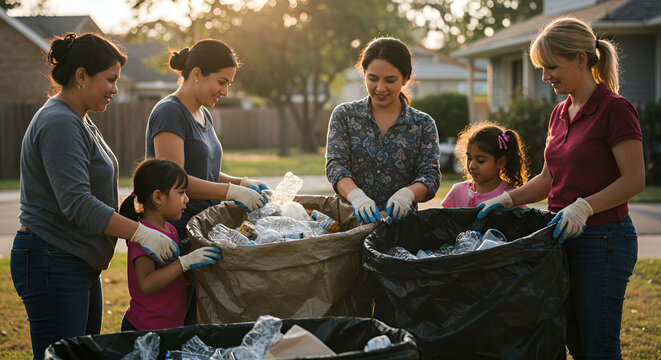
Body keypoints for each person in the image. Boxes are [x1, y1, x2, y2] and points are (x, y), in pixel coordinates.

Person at [477, 17, 644, 359]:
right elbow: (548, 179)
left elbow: (634, 179)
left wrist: (583, 206)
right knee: (574, 342)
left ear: (581, 59)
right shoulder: (559, 113)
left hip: (604, 241)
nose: (545, 77)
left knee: (598, 346)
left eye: (551, 67)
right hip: (560, 239)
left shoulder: (615, 109)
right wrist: (505, 199)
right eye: (541, 68)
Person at [10, 33, 179, 360]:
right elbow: (77, 203)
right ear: (82, 76)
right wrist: (142, 233)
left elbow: (93, 191)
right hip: (52, 259)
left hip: (74, 259)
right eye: (111, 80)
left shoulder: (78, 118)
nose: (116, 89)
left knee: (84, 355)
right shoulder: (60, 122)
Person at [145, 38, 266, 324]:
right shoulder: (169, 112)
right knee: (184, 320)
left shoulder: (203, 113)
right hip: (177, 233)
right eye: (221, 82)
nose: (225, 91)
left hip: (202, 228)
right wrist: (230, 191)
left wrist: (242, 182)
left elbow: (207, 170)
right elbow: (176, 178)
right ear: (196, 74)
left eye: (229, 84)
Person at [325, 37, 441, 224]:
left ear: (405, 78)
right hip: (350, 224)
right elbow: (335, 165)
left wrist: (407, 194)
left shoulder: (422, 124)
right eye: (373, 78)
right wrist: (356, 196)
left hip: (400, 228)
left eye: (390, 80)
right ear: (364, 74)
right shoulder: (345, 115)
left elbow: (430, 176)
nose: (380, 88)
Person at [119, 159, 222, 331]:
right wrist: (184, 263)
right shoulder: (144, 236)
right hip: (143, 329)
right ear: (158, 197)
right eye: (181, 193)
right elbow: (146, 284)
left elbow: (173, 277)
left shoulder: (170, 229)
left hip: (168, 327)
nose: (187, 199)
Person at [441, 121, 529, 208]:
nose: (472, 165)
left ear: (501, 162)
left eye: (480, 160)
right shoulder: (457, 192)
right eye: (469, 158)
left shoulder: (511, 197)